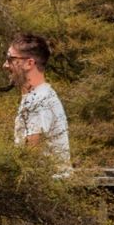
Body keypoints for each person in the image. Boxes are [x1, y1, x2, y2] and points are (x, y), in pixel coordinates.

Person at [6, 32, 69, 172]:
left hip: (47, 188)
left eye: (10, 59)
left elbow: (31, 155)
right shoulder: (37, 96)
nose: (5, 65)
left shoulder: (39, 100)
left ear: (29, 63)